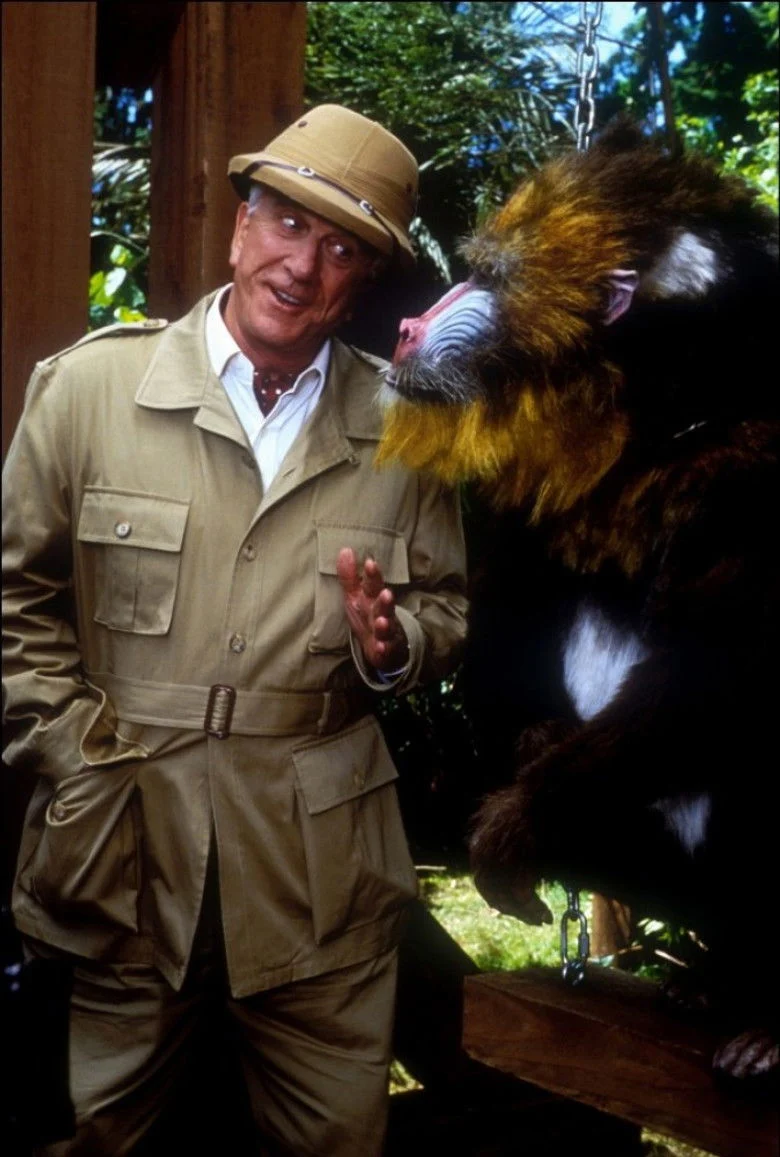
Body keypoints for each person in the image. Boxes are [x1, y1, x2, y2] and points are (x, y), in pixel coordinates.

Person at [2, 104, 468, 1156]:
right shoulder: (89, 392)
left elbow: (447, 608)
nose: (302, 265)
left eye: (341, 248)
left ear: (365, 278)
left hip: (320, 878)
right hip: (120, 852)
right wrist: (73, 758)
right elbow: (14, 599)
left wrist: (397, 646)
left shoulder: (409, 433)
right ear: (240, 226)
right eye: (288, 224)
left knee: (336, 1139)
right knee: (97, 1133)